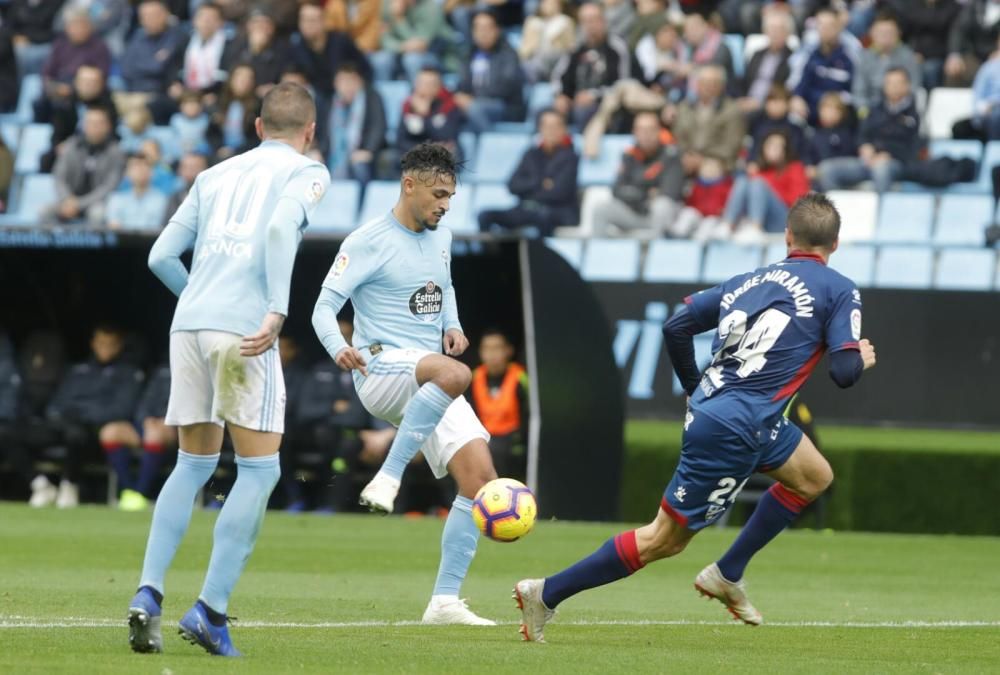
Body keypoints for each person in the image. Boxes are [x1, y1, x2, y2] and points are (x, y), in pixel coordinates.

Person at [514, 192, 878, 642]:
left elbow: (676, 326)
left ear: (787, 237)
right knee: (663, 540)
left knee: (814, 476)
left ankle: (728, 571)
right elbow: (843, 372)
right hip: (739, 424)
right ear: (836, 244)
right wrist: (860, 356)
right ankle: (546, 593)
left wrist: (694, 389)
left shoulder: (749, 279)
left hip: (741, 414)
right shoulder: (839, 289)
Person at [127, 82, 330, 657]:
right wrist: (277, 309)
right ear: (309, 132)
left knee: (192, 463)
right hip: (243, 330)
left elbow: (159, 256)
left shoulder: (212, 175)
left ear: (258, 127)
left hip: (188, 323)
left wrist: (200, 302)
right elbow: (276, 229)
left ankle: (148, 593)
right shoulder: (308, 171)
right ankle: (211, 611)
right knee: (259, 471)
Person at [311, 142, 499, 625]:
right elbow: (323, 308)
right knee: (457, 373)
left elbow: (445, 285)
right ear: (409, 185)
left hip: (428, 373)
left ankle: (444, 602)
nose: (444, 204)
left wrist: (452, 325)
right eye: (438, 194)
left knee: (480, 481)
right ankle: (389, 474)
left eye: (450, 197)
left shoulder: (442, 236)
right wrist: (339, 348)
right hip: (380, 368)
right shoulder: (367, 240)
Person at [40, 324, 146, 509]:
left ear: (119, 345)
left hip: (95, 431)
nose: (105, 348)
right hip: (66, 425)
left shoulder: (129, 372)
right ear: (93, 344)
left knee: (79, 434)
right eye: (101, 343)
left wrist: (82, 413)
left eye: (110, 344)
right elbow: (57, 405)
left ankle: (69, 486)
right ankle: (39, 485)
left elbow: (121, 410)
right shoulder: (78, 370)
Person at [581, 20, 686, 159]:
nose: (670, 37)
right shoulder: (644, 53)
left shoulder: (681, 54)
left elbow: (683, 88)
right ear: (656, 35)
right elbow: (643, 80)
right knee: (621, 90)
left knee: (620, 91)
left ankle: (593, 138)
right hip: (640, 99)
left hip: (665, 104)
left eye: (673, 34)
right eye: (665, 33)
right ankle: (595, 134)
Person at [816, 67, 919, 194]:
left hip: (897, 163)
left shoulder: (916, 113)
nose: (893, 87)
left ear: (907, 86)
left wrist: (889, 154)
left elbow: (916, 147)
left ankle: (881, 213)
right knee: (827, 169)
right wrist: (865, 146)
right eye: (889, 83)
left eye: (898, 83)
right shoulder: (874, 109)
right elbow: (861, 135)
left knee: (881, 170)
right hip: (868, 161)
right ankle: (836, 212)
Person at [478, 109, 579, 236]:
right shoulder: (531, 153)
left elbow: (559, 193)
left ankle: (541, 255)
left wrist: (528, 189)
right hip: (525, 209)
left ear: (564, 129)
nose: (551, 131)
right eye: (547, 126)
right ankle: (493, 254)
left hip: (556, 211)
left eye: (556, 126)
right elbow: (512, 185)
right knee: (485, 216)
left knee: (542, 217)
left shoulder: (571, 156)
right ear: (540, 128)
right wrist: (540, 183)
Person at [591, 111, 684, 238]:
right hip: (635, 210)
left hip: (659, 215)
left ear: (659, 131)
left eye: (650, 129)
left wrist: (635, 191)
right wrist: (644, 194)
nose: (646, 134)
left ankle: (656, 251)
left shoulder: (670, 155)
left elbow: (670, 191)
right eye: (641, 130)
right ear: (634, 132)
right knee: (601, 209)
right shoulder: (629, 155)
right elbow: (617, 189)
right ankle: (599, 252)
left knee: (662, 205)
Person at [551, 2, 632, 129]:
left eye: (594, 20)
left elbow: (623, 84)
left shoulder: (616, 48)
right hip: (575, 101)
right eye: (585, 21)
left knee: (583, 112)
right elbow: (559, 75)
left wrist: (593, 96)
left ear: (604, 21)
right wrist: (561, 95)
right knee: (544, 114)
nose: (590, 25)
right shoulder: (575, 49)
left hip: (606, 105)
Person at [720, 130, 811, 242]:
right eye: (769, 145)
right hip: (760, 217)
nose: (773, 149)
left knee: (757, 183)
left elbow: (798, 203)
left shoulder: (795, 168)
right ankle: (727, 226)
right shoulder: (759, 171)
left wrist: (767, 189)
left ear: (785, 150)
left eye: (777, 146)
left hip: (786, 221)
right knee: (742, 180)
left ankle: (755, 228)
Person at [47, 105, 126, 225]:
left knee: (97, 214)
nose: (94, 127)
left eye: (99, 123)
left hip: (97, 202)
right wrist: (67, 199)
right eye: (90, 122)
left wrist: (79, 204)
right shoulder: (71, 146)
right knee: (45, 212)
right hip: (68, 200)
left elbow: (109, 186)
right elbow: (59, 177)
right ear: (83, 125)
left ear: (108, 126)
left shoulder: (116, 152)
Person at [469, 329, 528, 481]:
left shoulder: (520, 377)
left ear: (509, 350)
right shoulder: (474, 378)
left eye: (497, 348)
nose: (492, 354)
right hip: (484, 440)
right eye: (487, 349)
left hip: (513, 442)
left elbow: (529, 416)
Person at [453, 11, 525, 134]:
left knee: (474, 108)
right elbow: (462, 85)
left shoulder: (508, 54)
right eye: (478, 28)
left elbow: (506, 87)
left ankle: (490, 140)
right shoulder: (468, 54)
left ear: (497, 30)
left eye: (487, 28)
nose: (483, 33)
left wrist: (472, 99)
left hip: (505, 105)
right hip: (476, 102)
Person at [670, 64, 745, 175]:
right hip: (686, 158)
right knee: (669, 166)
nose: (709, 87)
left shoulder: (733, 110)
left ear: (722, 86)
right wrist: (687, 156)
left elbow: (732, 145)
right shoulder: (684, 107)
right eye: (704, 82)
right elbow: (677, 136)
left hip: (719, 161)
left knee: (708, 171)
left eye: (714, 83)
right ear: (697, 85)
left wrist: (702, 159)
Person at [322, 62, 387, 184]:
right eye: (342, 81)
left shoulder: (372, 97)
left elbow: (378, 127)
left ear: (359, 82)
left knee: (359, 164)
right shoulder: (330, 102)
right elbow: (321, 132)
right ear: (335, 83)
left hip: (364, 151)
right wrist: (318, 150)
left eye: (351, 81)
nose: (347, 86)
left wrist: (369, 150)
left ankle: (361, 202)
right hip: (333, 154)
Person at [789, 8, 855, 126]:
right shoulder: (812, 54)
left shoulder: (849, 57)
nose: (825, 30)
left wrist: (832, 104)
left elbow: (852, 93)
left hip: (837, 114)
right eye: (821, 25)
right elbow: (802, 84)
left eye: (830, 26)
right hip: (810, 111)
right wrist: (797, 97)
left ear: (839, 28)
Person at [290, 2, 372, 97]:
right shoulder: (296, 48)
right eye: (303, 20)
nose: (306, 25)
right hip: (315, 97)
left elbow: (365, 69)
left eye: (311, 20)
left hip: (346, 94)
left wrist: (353, 83)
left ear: (323, 21)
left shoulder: (341, 42)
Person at [851, 13, 921, 116]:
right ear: (872, 33)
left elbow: (914, 87)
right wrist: (866, 113)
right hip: (872, 111)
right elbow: (858, 91)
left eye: (889, 32)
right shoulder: (864, 57)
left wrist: (898, 103)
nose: (885, 36)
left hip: (901, 110)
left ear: (898, 33)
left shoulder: (908, 57)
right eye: (881, 32)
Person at [396, 68, 464, 159]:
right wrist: (421, 151)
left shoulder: (450, 104)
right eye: (421, 83)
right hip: (416, 153)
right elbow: (401, 139)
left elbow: (448, 136)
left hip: (442, 155)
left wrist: (425, 115)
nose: (425, 87)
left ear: (439, 86)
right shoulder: (409, 106)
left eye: (430, 84)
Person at [107, 153, 170, 231]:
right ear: (127, 172)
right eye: (135, 166)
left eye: (145, 165)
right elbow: (114, 230)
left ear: (152, 172)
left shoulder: (162, 200)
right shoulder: (116, 199)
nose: (140, 169)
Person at [518, 0, 575, 83]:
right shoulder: (531, 22)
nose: (549, 6)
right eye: (546, 3)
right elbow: (525, 48)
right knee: (526, 66)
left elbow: (570, 46)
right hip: (535, 58)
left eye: (552, 3)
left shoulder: (566, 21)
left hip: (557, 58)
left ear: (559, 5)